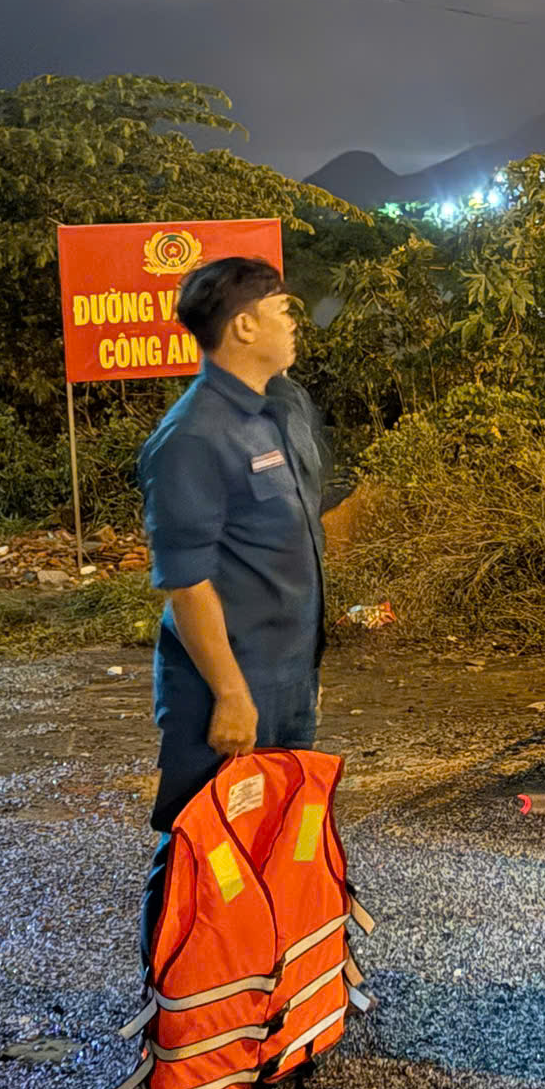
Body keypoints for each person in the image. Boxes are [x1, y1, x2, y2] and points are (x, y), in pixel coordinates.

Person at [135, 258, 356, 957]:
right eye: (283, 310)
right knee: (202, 850)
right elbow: (186, 581)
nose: (294, 324)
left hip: (289, 675)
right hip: (224, 690)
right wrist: (230, 693)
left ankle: (264, 1002)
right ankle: (179, 1012)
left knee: (278, 845)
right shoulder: (191, 437)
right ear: (244, 324)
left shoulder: (283, 407)